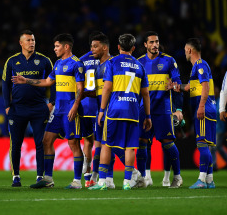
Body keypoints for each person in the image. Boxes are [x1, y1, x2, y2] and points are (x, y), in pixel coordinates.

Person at [13, 33, 85, 189]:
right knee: (46, 140)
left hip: (70, 110)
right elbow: (47, 81)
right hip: (58, 111)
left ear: (66, 47)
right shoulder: (58, 64)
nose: (55, 49)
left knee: (73, 144)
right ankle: (48, 179)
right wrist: (26, 80)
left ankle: (77, 181)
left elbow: (80, 88)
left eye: (57, 46)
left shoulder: (76, 64)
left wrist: (75, 106)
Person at [88, 33, 152, 190]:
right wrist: (148, 116)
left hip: (115, 110)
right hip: (133, 111)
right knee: (130, 147)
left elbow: (107, 88)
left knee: (106, 145)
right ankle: (127, 182)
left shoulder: (112, 62)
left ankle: (102, 182)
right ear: (134, 48)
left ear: (118, 47)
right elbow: (145, 94)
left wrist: (102, 110)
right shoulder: (140, 66)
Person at [2, 30, 55, 187]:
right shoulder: (12, 61)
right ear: (21, 43)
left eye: (33, 40)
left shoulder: (44, 60)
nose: (31, 42)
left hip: (39, 108)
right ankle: (16, 176)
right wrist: (6, 105)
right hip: (17, 109)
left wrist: (51, 102)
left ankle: (40, 176)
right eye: (28, 40)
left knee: (41, 142)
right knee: (16, 143)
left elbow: (53, 82)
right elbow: (5, 84)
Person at [136, 31, 183, 188]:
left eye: (156, 42)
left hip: (163, 109)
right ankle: (144, 178)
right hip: (144, 109)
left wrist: (178, 108)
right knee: (142, 142)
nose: (155, 45)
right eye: (151, 42)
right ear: (145, 45)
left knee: (168, 143)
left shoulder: (169, 60)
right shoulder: (139, 62)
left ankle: (176, 176)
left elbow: (177, 85)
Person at [169, 38, 216, 189]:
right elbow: (190, 87)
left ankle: (201, 180)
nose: (184, 53)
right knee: (206, 145)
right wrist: (176, 86)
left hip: (204, 108)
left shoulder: (200, 64)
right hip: (208, 108)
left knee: (202, 144)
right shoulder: (197, 66)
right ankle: (209, 180)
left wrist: (201, 106)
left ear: (189, 50)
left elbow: (206, 86)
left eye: (185, 50)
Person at [81, 33, 116, 188]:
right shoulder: (104, 64)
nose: (92, 49)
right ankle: (102, 178)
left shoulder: (112, 63)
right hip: (100, 109)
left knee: (103, 143)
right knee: (101, 144)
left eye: (95, 46)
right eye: (91, 46)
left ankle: (101, 176)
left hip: (106, 108)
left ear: (104, 47)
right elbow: (97, 90)